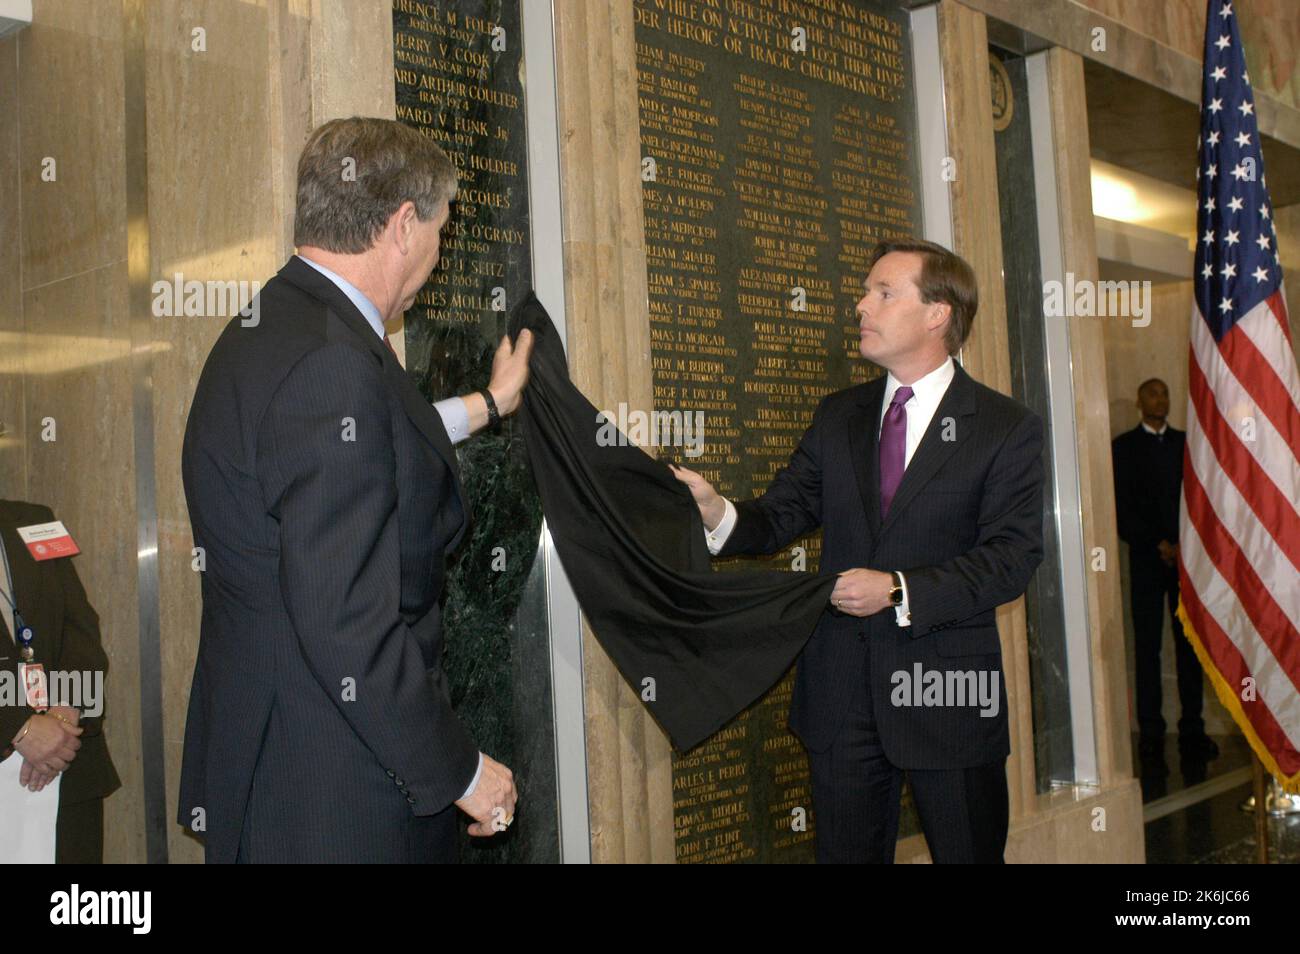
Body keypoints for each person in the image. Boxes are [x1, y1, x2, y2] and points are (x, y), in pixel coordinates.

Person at [179, 117, 532, 862]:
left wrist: (491, 403)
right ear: (403, 225)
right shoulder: (332, 364)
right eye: (438, 230)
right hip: (337, 794)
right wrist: (459, 769)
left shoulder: (270, 330)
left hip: (275, 770)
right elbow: (346, 620)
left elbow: (375, 443)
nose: (438, 256)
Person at [672, 239, 1044, 863]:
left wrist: (898, 589)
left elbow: (1011, 558)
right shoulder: (838, 416)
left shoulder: (1004, 427)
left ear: (937, 313)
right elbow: (782, 514)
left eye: (883, 292)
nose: (861, 305)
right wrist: (717, 511)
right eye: (866, 291)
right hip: (841, 699)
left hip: (947, 698)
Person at [0, 499, 120, 863]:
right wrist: (17, 728)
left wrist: (66, 717)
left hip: (66, 771)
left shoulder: (35, 520)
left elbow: (80, 629)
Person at [1112, 378, 1216, 762]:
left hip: (1186, 560)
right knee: (1147, 647)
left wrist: (1181, 543)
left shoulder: (1185, 445)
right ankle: (1151, 733)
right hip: (1145, 560)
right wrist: (1156, 543)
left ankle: (1193, 729)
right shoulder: (1123, 448)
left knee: (1188, 645)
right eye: (1154, 393)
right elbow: (1122, 505)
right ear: (1140, 401)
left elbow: (1199, 499)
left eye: (1165, 393)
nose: (1161, 399)